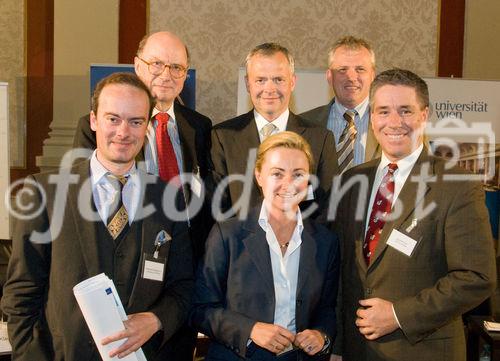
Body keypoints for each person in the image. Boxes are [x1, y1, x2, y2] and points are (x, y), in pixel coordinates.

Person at [2, 73, 194, 361]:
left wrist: (155, 320)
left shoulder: (168, 197)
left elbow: (184, 286)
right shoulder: (45, 194)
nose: (123, 132)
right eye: (113, 119)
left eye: (136, 121)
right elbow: (21, 292)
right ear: (93, 120)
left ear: (148, 127)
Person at [331, 68, 496, 361]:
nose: (394, 122)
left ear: (424, 115)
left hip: (424, 350)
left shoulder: (456, 185)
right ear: (372, 116)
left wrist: (398, 314)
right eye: (383, 111)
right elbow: (345, 271)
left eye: (405, 110)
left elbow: (476, 276)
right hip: (358, 351)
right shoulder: (351, 182)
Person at [73, 31, 212, 360]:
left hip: (180, 282)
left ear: (186, 74)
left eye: (177, 67)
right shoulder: (96, 129)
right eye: (157, 63)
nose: (167, 73)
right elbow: (85, 208)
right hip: (121, 283)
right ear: (137, 66)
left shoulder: (202, 127)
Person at [191, 131, 339, 360]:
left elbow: (327, 309)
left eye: (298, 174)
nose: (288, 184)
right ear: (259, 176)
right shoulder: (227, 234)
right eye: (277, 174)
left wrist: (321, 335)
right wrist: (250, 330)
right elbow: (200, 309)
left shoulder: (325, 241)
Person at [211, 43, 338, 219]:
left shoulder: (321, 139)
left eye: (278, 79)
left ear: (292, 82)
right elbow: (220, 206)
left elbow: (327, 207)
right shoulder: (223, 137)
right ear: (248, 84)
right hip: (240, 244)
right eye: (260, 80)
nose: (269, 89)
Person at [301, 36, 380, 172]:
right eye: (342, 70)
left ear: (373, 75)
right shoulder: (303, 125)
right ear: (329, 76)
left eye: (360, 69)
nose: (351, 77)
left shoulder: (391, 124)